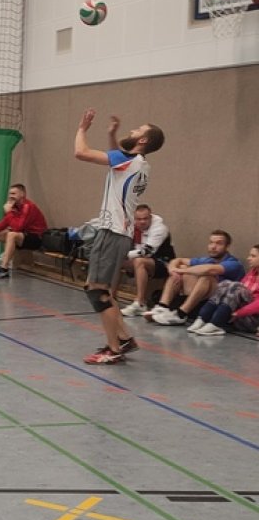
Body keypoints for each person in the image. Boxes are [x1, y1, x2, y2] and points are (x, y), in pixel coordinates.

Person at [73, 109, 165, 364]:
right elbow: (117, 161)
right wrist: (112, 135)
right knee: (99, 289)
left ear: (143, 140)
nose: (132, 130)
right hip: (119, 232)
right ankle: (124, 338)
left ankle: (113, 350)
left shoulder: (127, 160)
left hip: (112, 232)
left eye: (137, 130)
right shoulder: (139, 163)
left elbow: (81, 153)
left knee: (97, 291)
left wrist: (82, 129)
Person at [147, 230, 245, 326]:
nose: (213, 246)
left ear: (227, 246)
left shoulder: (234, 263)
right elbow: (178, 260)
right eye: (211, 243)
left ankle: (181, 315)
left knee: (206, 277)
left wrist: (181, 271)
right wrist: (172, 269)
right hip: (198, 298)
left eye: (219, 243)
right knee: (180, 269)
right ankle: (162, 307)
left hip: (217, 304)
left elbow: (209, 270)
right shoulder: (207, 260)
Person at [0, 183, 47, 279]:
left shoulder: (28, 206)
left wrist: (8, 212)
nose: (10, 196)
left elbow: (18, 227)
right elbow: (6, 222)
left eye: (14, 194)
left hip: (36, 238)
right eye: (10, 194)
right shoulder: (14, 206)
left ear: (22, 194)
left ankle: (4, 269)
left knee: (11, 235)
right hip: (22, 235)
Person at [187, 244, 259, 336]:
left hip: (253, 320)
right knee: (226, 283)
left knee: (236, 286)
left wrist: (238, 313)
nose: (248, 258)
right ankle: (202, 318)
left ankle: (216, 324)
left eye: (253, 256)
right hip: (237, 316)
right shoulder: (252, 273)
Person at [119, 204, 176, 316]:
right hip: (145, 260)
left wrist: (125, 255)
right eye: (139, 219)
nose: (142, 222)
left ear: (151, 217)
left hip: (164, 263)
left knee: (139, 261)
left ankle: (140, 303)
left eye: (145, 218)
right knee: (116, 260)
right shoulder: (132, 227)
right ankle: (110, 297)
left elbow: (147, 252)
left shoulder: (159, 229)